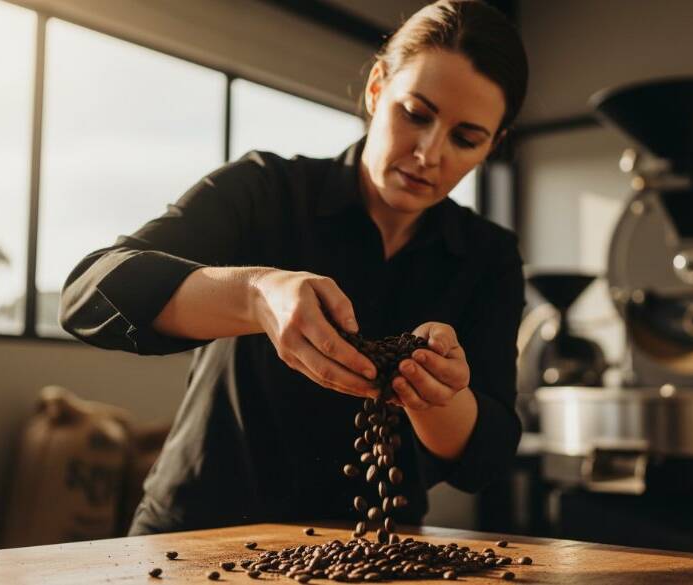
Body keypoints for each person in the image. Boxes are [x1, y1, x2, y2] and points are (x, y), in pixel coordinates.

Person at [60, 0, 528, 536]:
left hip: (376, 548)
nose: (429, 153)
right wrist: (255, 295)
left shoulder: (489, 257)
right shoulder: (263, 190)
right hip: (199, 534)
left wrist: (438, 396)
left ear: (493, 145)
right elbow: (88, 293)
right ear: (377, 88)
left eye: (465, 139)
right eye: (416, 114)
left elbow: (486, 459)